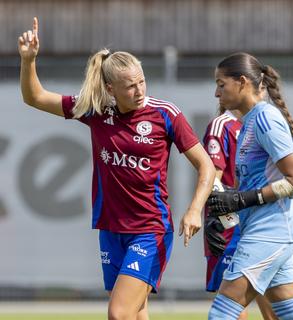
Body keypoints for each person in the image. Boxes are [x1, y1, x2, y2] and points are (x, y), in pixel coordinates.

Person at [18, 17, 215, 320]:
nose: (139, 90)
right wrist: (28, 60)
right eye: (130, 86)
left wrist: (193, 209)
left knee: (119, 313)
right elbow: (35, 97)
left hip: (150, 229)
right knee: (136, 313)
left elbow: (207, 166)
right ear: (111, 88)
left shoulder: (165, 114)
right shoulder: (96, 109)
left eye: (142, 82)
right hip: (111, 229)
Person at [206, 52, 293, 320]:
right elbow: (263, 183)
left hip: (270, 234)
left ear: (242, 82)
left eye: (221, 84)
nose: (217, 93)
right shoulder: (250, 121)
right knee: (292, 316)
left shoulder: (264, 118)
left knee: (221, 315)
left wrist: (241, 201)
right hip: (267, 231)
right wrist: (226, 218)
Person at [203, 107, 279, 319]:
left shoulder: (260, 122)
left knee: (271, 301)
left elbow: (280, 171)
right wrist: (220, 218)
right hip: (230, 225)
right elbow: (213, 180)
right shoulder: (221, 125)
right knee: (234, 304)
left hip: (261, 222)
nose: (218, 92)